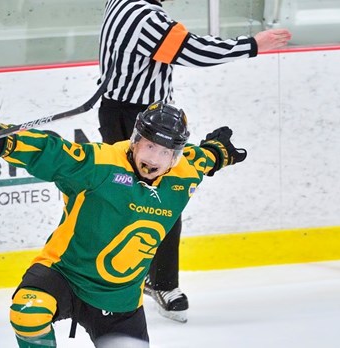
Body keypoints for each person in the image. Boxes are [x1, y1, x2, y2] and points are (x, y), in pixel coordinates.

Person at [0, 101, 247, 347]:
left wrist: (221, 151)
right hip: (64, 274)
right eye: (149, 146)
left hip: (120, 299)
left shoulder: (184, 173)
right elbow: (54, 153)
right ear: (135, 140)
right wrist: (4, 142)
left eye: (164, 152)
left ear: (175, 155)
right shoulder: (100, 163)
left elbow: (207, 157)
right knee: (28, 313)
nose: (153, 158)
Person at [97, 0, 291, 323]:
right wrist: (253, 45)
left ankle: (125, 277)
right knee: (164, 197)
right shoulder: (147, 17)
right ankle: (158, 282)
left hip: (122, 112)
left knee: (124, 198)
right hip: (143, 122)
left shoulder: (119, 3)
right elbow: (193, 51)